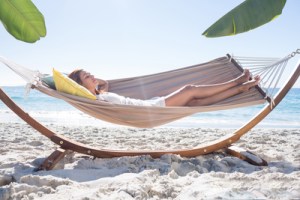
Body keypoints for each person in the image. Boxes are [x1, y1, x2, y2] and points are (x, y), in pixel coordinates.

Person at [68, 69, 260, 107]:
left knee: (196, 102)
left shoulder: (102, 93)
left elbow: (106, 84)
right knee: (189, 89)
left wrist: (93, 81)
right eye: (87, 76)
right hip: (149, 110)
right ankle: (237, 81)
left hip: (150, 104)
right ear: (80, 85)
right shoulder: (96, 100)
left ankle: (239, 89)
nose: (93, 76)